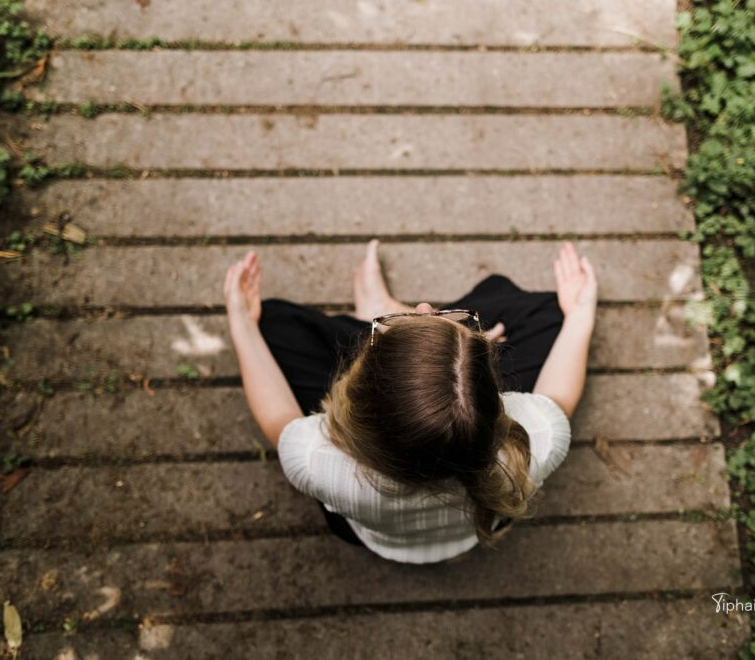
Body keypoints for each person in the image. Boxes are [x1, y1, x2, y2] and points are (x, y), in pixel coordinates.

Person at [222, 239, 597, 564]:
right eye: (443, 319)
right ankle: (387, 314)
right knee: (549, 312)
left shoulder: (316, 460)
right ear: (494, 397)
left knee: (270, 324)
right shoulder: (531, 444)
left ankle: (374, 311)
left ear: (356, 394)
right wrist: (580, 312)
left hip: (369, 535)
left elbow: (278, 417)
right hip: (470, 528)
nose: (422, 306)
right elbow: (558, 397)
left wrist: (241, 318)